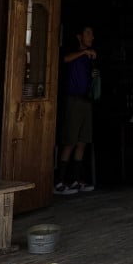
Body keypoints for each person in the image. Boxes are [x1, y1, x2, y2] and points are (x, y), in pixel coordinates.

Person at [54, 25, 96, 195]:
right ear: (79, 36)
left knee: (82, 142)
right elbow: (65, 59)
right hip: (73, 100)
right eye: (88, 33)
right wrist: (84, 52)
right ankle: (59, 182)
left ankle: (75, 180)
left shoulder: (91, 56)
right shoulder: (72, 52)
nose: (91, 37)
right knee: (69, 141)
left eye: (92, 34)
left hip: (87, 101)